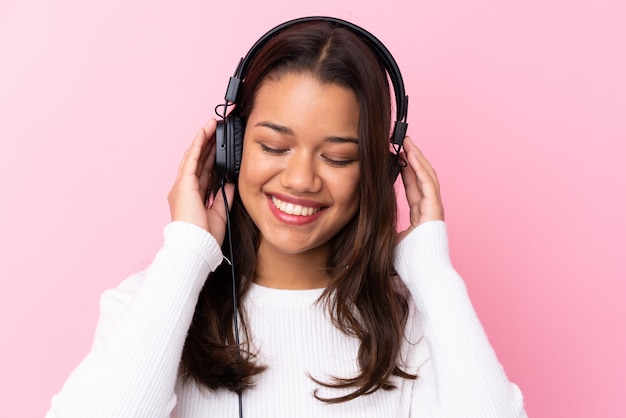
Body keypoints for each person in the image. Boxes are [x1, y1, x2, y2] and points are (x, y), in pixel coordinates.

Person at [46, 17, 527, 417]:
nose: (300, 180)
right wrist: (186, 253)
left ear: (379, 174)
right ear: (229, 149)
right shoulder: (152, 303)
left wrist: (433, 272)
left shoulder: (419, 327)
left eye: (337, 158)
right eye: (274, 146)